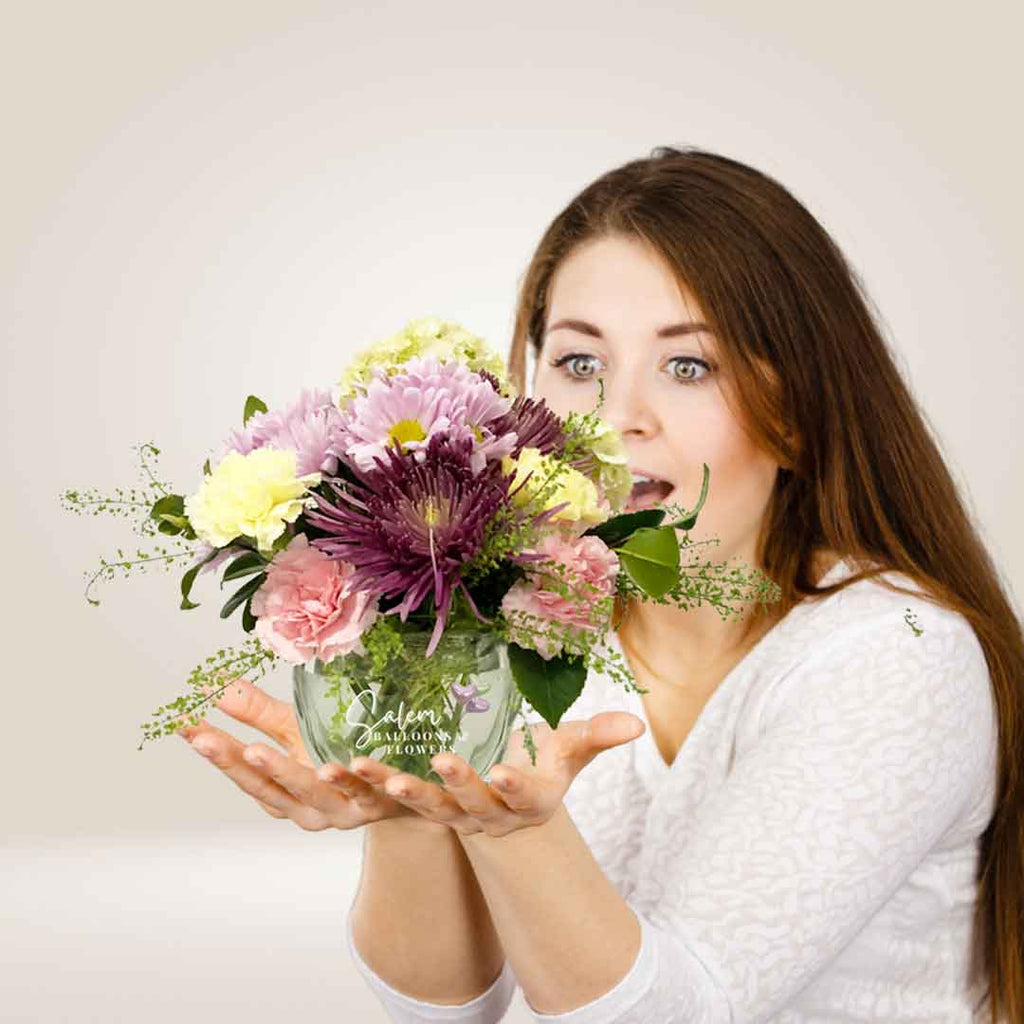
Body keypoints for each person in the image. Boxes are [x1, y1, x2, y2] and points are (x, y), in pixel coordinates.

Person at [179, 146, 1024, 1023]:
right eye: (581, 363)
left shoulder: (894, 655)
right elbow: (446, 1010)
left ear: (801, 413)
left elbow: (680, 1012)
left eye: (689, 366)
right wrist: (410, 804)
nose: (617, 417)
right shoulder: (523, 627)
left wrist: (517, 832)